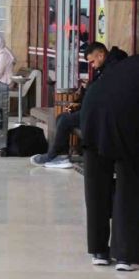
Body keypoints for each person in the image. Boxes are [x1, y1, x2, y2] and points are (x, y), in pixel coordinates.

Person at [80, 55, 139, 271]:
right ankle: (125, 255)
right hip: (123, 120)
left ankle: (99, 251)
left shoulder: (127, 64)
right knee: (129, 186)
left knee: (96, 187)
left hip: (91, 114)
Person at [30, 42, 128, 169]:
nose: (92, 66)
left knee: (65, 120)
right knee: (62, 116)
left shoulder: (112, 70)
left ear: (101, 55)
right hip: (93, 110)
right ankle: (61, 156)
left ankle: (53, 155)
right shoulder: (103, 69)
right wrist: (70, 108)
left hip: (102, 114)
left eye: (92, 62)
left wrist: (88, 93)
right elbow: (88, 95)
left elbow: (102, 95)